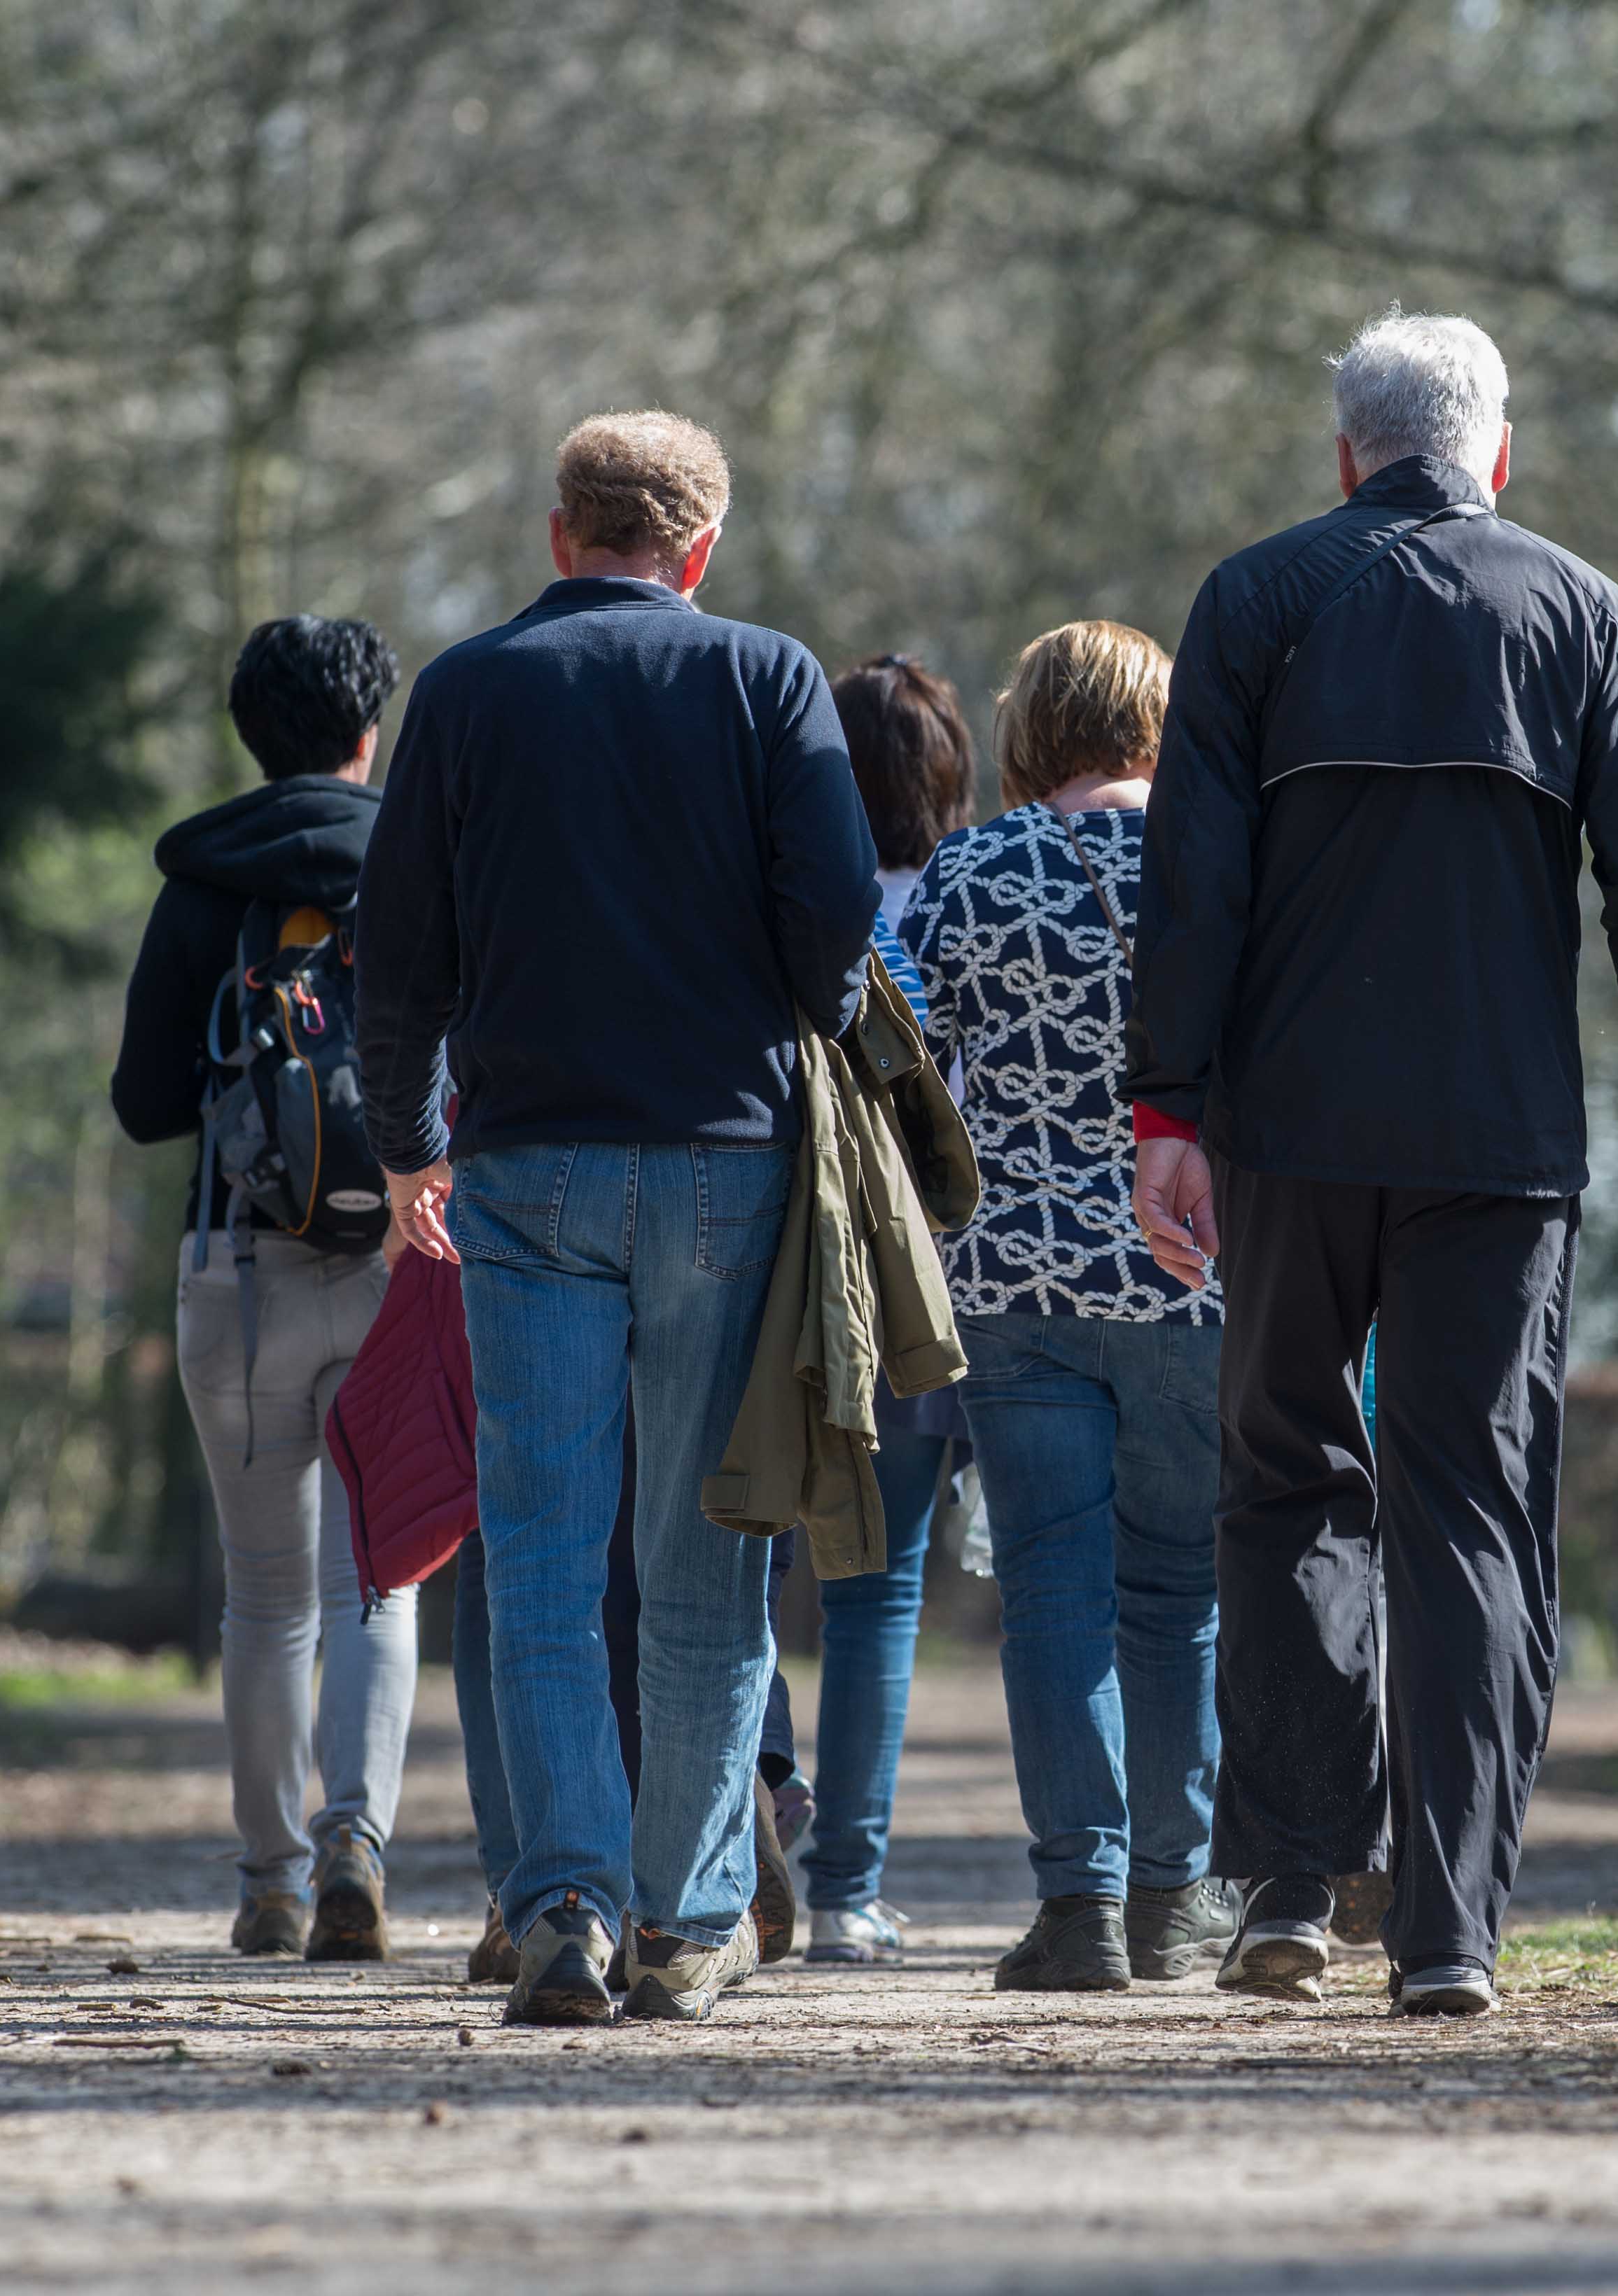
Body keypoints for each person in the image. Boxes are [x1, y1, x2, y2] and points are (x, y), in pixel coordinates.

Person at [1126, 309, 1618, 2017]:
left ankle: (1281, 1886)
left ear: (1346, 452)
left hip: (1284, 1130)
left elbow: (1190, 881)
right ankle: (1449, 1928)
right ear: (1497, 450)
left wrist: (1166, 1109)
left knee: (1284, 1484)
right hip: (1495, 1139)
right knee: (1470, 1510)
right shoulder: (1581, 612)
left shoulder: (1254, 601)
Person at [356, 410, 879, 2026]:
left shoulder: (463, 690)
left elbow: (400, 950)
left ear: (559, 530)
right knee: (707, 1557)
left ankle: (562, 1899)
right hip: (725, 1159)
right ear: (699, 547)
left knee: (536, 1555)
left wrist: (401, 1143)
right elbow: (836, 922)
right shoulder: (768, 677)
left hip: (522, 1166)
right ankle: (688, 1912)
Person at [903, 622, 1238, 1992]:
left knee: (1052, 1588)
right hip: (1194, 1275)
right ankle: (1173, 1895)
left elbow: (903, 1058)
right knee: (1179, 1591)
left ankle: (1079, 1902)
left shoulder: (968, 869)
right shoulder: (1228, 866)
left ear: (1032, 726)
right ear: (1162, 725)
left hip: (1012, 1283)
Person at [110, 614, 417, 1961]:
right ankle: (362, 1837)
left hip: (236, 1263)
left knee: (267, 1596)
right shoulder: (424, 861)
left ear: (252, 732)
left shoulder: (203, 880)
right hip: (406, 1258)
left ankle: (272, 1879)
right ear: (370, 734)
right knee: (380, 1586)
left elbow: (138, 1105)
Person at [795, 652, 977, 1966]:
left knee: (742, 1562)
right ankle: (843, 1887)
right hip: (933, 1293)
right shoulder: (971, 905)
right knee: (883, 1592)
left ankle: (751, 1795)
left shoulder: (806, 912)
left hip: (791, 1274)